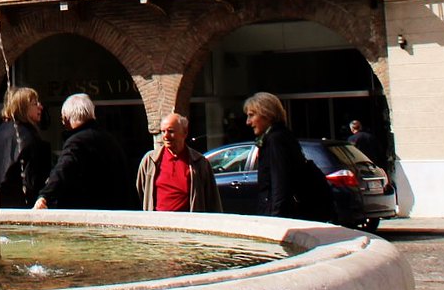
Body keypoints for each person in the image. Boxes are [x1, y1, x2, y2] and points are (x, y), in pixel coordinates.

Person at [32, 93, 134, 211]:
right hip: (117, 210)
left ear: (67, 118)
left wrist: (44, 196)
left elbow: (63, 170)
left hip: (89, 212)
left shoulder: (76, 142)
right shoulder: (109, 139)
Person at [244, 92, 334, 222]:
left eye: (251, 115)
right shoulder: (280, 136)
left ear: (267, 114)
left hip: (283, 217)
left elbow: (280, 183)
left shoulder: (275, 140)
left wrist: (276, 220)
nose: (248, 122)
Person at [136, 112, 222, 212]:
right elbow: (140, 193)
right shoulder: (150, 161)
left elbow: (212, 200)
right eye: (163, 131)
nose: (166, 136)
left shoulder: (199, 163)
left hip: (187, 224)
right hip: (157, 223)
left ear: (185, 132)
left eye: (171, 131)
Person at [0, 87, 51, 209]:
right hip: (19, 204)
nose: (40, 107)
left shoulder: (0, 132)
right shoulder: (27, 136)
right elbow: (31, 180)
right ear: (23, 108)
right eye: (35, 104)